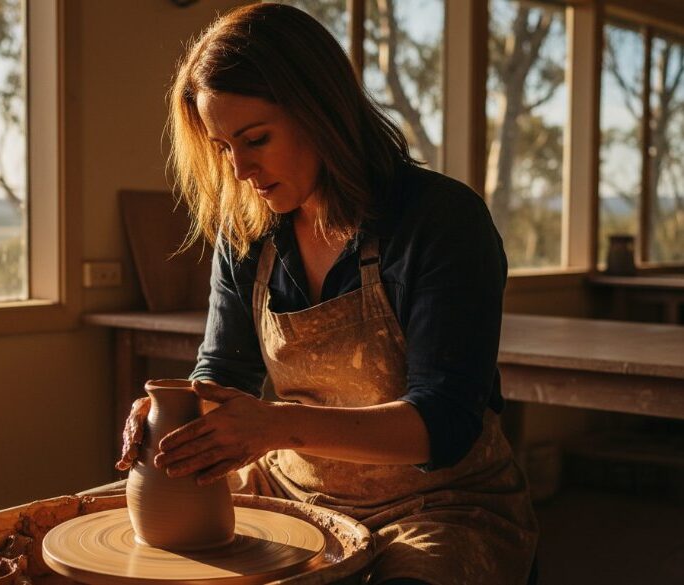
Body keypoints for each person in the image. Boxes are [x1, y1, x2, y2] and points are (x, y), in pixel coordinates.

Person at [114, 4, 538, 584]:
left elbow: (444, 423)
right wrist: (177, 415)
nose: (240, 169)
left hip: (440, 505)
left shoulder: (439, 221)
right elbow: (225, 371)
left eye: (256, 138)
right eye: (222, 148)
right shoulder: (248, 233)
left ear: (321, 110)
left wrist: (275, 425)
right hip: (288, 488)